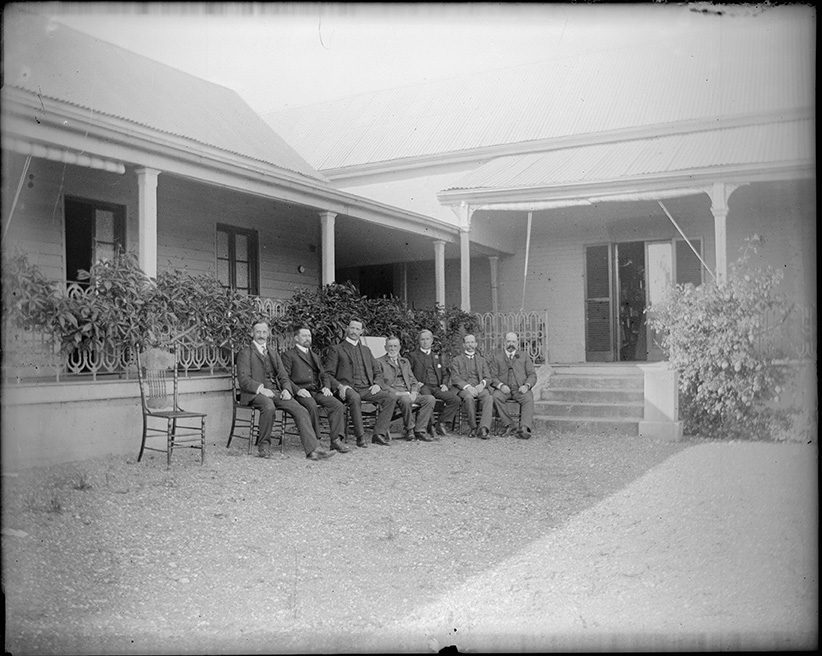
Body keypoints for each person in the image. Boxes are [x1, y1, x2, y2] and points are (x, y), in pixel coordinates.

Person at [236, 319, 335, 460]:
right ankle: (264, 446)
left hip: (275, 392)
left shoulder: (272, 352)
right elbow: (244, 380)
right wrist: (261, 389)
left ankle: (313, 450)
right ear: (252, 333)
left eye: (264, 332)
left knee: (301, 409)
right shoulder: (245, 353)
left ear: (268, 333)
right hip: (254, 393)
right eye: (258, 331)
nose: (261, 335)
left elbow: (283, 375)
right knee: (268, 407)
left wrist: (287, 389)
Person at [324, 318, 397, 447]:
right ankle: (360, 436)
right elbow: (328, 374)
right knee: (354, 396)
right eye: (352, 328)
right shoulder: (336, 349)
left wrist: (377, 384)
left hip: (367, 388)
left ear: (362, 331)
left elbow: (378, 371)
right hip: (347, 389)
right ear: (347, 328)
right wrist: (340, 386)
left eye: (357, 329)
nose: (354, 331)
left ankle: (379, 434)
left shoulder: (366, 350)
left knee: (390, 397)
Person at [281, 325, 350, 454]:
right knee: (311, 405)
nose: (308, 338)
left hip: (315, 390)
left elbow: (324, 374)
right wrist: (297, 390)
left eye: (309, 336)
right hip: (300, 392)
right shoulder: (288, 355)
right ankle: (315, 442)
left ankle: (336, 440)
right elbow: (284, 377)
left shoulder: (314, 355)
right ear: (296, 338)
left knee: (337, 405)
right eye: (304, 336)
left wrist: (326, 387)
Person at [377, 336, 436, 442]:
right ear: (385, 347)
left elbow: (413, 380)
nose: (393, 349)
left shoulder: (404, 362)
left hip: (409, 392)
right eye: (390, 346)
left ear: (399, 347)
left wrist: (414, 391)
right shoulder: (379, 362)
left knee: (430, 399)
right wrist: (398, 393)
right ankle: (410, 429)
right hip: (394, 394)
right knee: (405, 399)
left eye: (395, 346)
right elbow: (381, 383)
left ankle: (420, 430)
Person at [408, 329, 459, 437]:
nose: (425, 342)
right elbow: (408, 373)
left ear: (431, 340)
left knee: (455, 399)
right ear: (419, 341)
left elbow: (445, 373)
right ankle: (430, 427)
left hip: (437, 387)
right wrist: (415, 383)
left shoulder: (437, 356)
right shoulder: (412, 356)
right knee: (429, 398)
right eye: (422, 339)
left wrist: (445, 384)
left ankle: (440, 423)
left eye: (427, 339)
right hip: (423, 386)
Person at [488, 332, 537, 439]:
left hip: (519, 389)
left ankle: (524, 427)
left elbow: (532, 375)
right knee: (495, 397)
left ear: (517, 343)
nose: (511, 344)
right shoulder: (497, 357)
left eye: (513, 341)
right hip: (504, 389)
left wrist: (526, 386)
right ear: (505, 342)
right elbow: (492, 376)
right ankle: (510, 424)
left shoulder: (524, 356)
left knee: (528, 398)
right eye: (509, 341)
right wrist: (500, 386)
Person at [449, 333, 494, 438]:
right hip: (464, 388)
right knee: (469, 397)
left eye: (472, 342)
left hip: (479, 387)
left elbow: (488, 377)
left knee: (489, 397)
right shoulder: (457, 360)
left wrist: (482, 384)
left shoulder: (481, 360)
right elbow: (455, 378)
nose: (470, 345)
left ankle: (484, 428)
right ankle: (473, 427)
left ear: (476, 344)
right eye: (468, 342)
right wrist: (468, 387)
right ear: (464, 345)